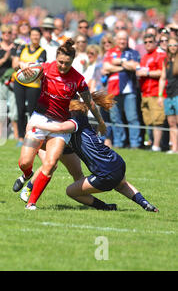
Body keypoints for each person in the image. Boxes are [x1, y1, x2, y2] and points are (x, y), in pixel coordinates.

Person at [27, 91, 159, 212]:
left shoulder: (74, 119)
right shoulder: (79, 114)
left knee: (71, 191)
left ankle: (105, 207)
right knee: (121, 185)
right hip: (116, 161)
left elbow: (60, 127)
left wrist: (37, 124)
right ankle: (145, 204)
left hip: (104, 171)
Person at [14, 39, 106, 210]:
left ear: (73, 61)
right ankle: (27, 174)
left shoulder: (77, 79)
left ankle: (31, 203)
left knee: (50, 164)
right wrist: (23, 66)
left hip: (60, 126)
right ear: (56, 58)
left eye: (67, 63)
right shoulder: (46, 68)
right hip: (39, 119)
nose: (63, 66)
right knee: (25, 162)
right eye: (61, 62)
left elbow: (90, 102)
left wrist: (100, 122)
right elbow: (23, 63)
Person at [103, 30, 142, 149]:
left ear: (127, 40)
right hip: (113, 89)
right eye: (120, 39)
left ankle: (135, 143)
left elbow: (136, 66)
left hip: (129, 90)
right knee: (115, 118)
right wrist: (124, 66)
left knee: (132, 117)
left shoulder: (133, 52)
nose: (122, 41)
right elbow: (106, 68)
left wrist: (119, 62)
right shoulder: (110, 52)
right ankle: (119, 143)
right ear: (116, 40)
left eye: (124, 39)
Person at [12, 27, 46, 146]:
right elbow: (14, 64)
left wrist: (27, 66)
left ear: (40, 37)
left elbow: (39, 68)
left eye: (37, 35)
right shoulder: (22, 47)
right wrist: (21, 65)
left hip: (34, 85)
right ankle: (21, 137)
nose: (35, 37)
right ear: (30, 36)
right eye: (33, 35)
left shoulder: (42, 51)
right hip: (19, 83)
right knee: (20, 109)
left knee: (32, 112)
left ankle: (31, 137)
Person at [137, 33, 167, 152]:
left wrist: (148, 72)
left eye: (150, 42)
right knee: (148, 120)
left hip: (156, 92)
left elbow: (163, 73)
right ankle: (152, 143)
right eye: (145, 42)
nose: (148, 44)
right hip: (145, 93)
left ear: (155, 42)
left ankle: (156, 146)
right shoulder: (144, 57)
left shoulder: (161, 55)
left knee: (158, 121)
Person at [0, 24, 18, 140]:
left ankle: (17, 134)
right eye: (4, 33)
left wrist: (12, 59)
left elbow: (17, 64)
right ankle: (0, 134)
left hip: (13, 80)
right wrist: (4, 59)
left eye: (9, 32)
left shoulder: (16, 47)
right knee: (0, 106)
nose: (7, 35)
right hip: (0, 80)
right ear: (1, 35)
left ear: (12, 34)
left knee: (14, 107)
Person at [158, 37, 178, 154]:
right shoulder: (166, 61)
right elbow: (163, 78)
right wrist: (160, 95)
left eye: (175, 45)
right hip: (168, 95)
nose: (172, 47)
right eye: (170, 45)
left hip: (177, 94)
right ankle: (174, 148)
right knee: (171, 123)